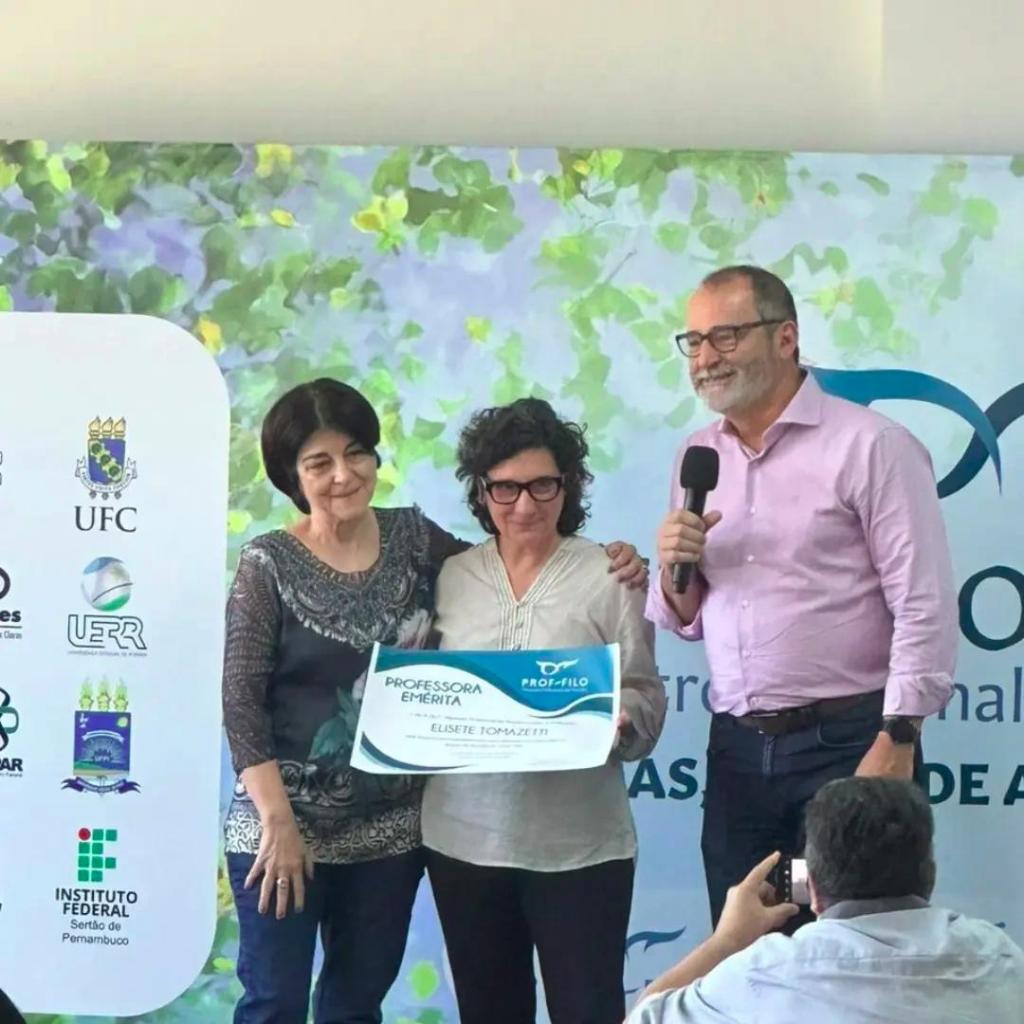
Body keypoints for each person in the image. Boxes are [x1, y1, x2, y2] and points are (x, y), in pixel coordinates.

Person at [222, 378, 647, 1024]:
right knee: (274, 1003)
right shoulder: (268, 563)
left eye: (356, 453)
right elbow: (240, 699)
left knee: (354, 1007)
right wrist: (276, 822)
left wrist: (615, 559)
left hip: (392, 837)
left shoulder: (417, 541)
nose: (343, 475)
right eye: (319, 462)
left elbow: (512, 562)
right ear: (291, 475)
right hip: (286, 828)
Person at [647, 264, 958, 928]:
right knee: (748, 947)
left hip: (848, 748)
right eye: (693, 341)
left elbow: (923, 602)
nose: (705, 358)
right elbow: (687, 616)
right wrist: (675, 566)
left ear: (786, 337)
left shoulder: (871, 446)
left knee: (854, 939)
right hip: (739, 758)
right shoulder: (698, 457)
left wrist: (899, 735)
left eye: (726, 336)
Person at [421, 397, 667, 1024]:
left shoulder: (612, 576)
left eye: (542, 485)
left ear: (569, 485)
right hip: (463, 843)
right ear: (481, 491)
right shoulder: (449, 575)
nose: (524, 506)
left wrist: (622, 722)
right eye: (505, 488)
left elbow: (645, 695)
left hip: (580, 848)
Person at [627, 776, 1024, 1022]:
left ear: (812, 888)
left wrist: (726, 941)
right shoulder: (997, 956)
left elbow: (644, 1018)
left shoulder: (764, 970)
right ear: (930, 875)